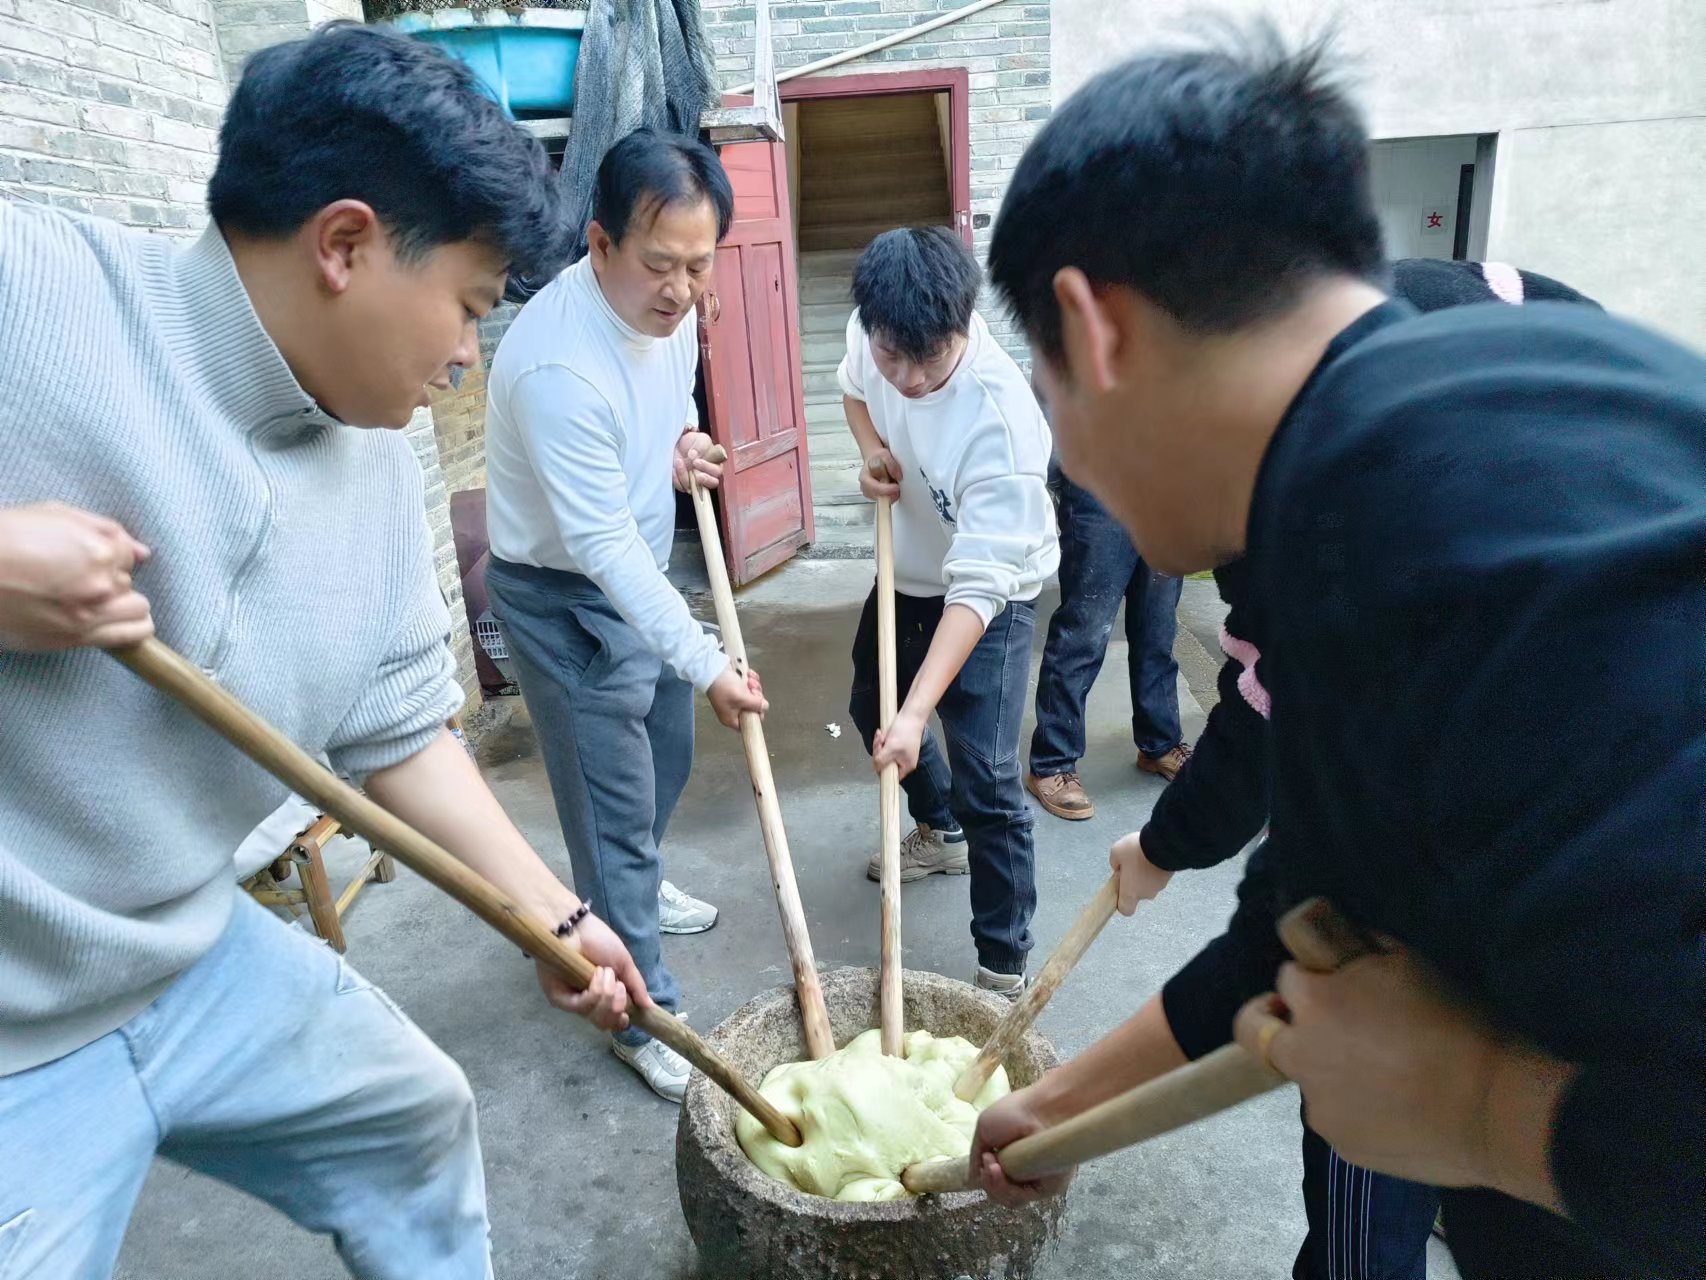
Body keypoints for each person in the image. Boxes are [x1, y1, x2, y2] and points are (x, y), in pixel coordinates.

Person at [973, 29, 1703, 1280]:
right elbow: (1301, 910)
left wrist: (1482, 1113)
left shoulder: (1372, 519)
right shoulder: (1536, 373)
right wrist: (1048, 1109)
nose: (1069, 468)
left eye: (1048, 405)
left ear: (1095, 331)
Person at [0, 25, 651, 1279]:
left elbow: (398, 726)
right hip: (12, 1043)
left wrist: (548, 910)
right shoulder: (37, 295)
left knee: (410, 1113)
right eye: (465, 304)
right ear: (345, 244)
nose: (467, 354)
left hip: (188, 951)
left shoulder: (368, 461)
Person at [1096, 257, 1603, 1280]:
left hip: (1533, 824)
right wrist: (1164, 847)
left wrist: (1169, 845)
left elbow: (1276, 749)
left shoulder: (1322, 492)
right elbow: (1266, 708)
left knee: (1373, 1078)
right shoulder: (1297, 377)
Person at [482, 129, 766, 1104]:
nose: (682, 288)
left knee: (668, 753)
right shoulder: (555, 367)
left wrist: (680, 444)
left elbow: (669, 397)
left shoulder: (672, 310)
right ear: (597, 243)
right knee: (612, 809)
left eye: (698, 263)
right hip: (565, 597)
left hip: (635, 567)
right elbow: (597, 547)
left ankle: (630, 888)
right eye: (660, 264)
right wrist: (707, 656)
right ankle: (644, 1016)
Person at [842, 225, 1060, 997]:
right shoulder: (877, 334)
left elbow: (976, 590)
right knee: (871, 702)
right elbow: (853, 389)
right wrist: (872, 449)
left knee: (990, 772)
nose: (905, 375)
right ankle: (940, 829)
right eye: (891, 354)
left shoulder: (999, 421)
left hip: (991, 596)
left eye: (929, 357)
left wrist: (918, 714)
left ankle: (1002, 965)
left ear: (964, 326)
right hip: (908, 571)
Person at [1025, 391, 1187, 822]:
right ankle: (1052, 764)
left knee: (1158, 629)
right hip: (1099, 483)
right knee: (1084, 632)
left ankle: (1160, 743)